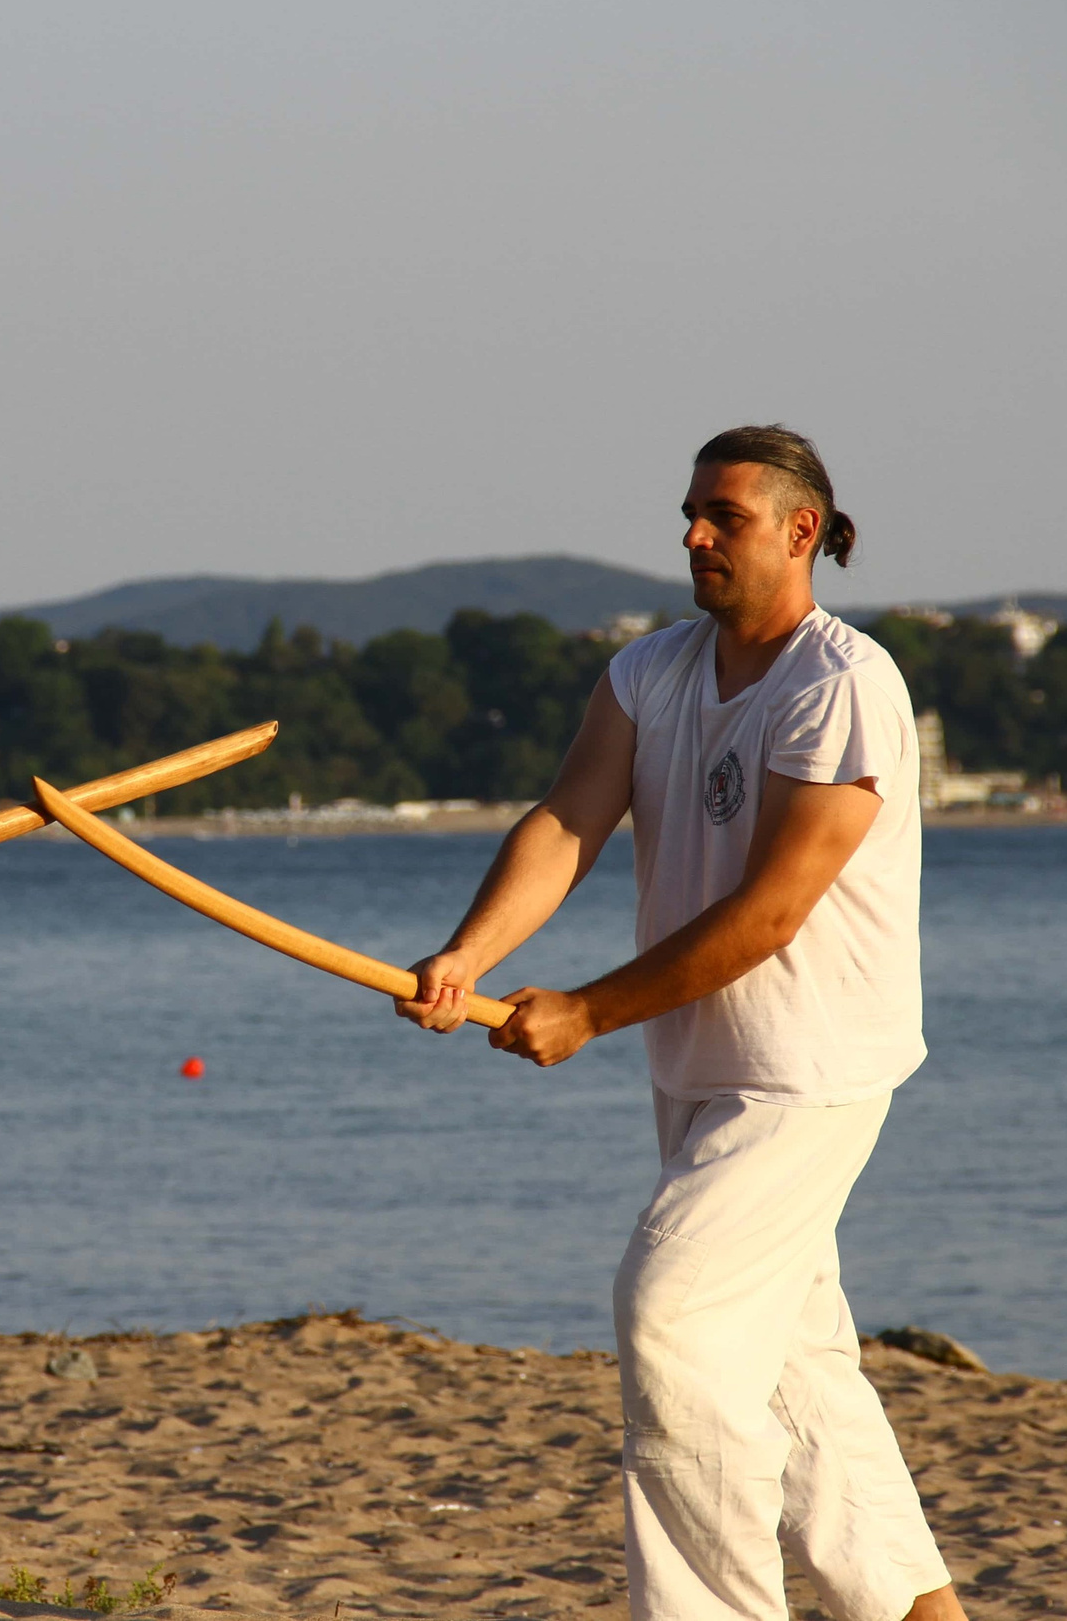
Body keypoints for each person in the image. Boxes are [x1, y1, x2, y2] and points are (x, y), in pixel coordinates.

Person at [397, 426, 965, 1621]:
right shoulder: (648, 672)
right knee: (794, 1362)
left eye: (724, 515)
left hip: (810, 1075)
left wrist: (590, 1010)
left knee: (672, 1316)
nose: (693, 535)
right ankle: (917, 1609)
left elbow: (769, 914)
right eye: (690, 514)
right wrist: (469, 955)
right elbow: (567, 820)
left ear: (799, 530)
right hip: (701, 1065)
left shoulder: (843, 683)